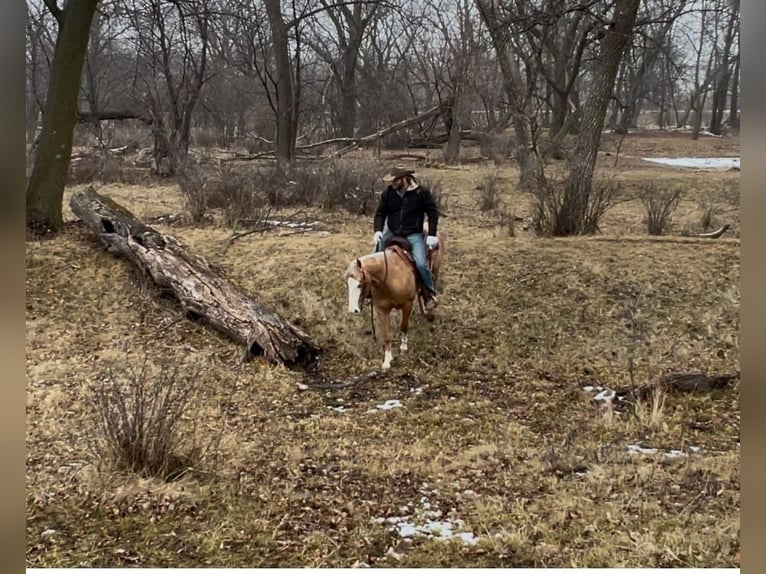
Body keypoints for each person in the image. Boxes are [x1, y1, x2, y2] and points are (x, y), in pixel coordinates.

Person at [373, 167, 440, 313]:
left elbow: (433, 213)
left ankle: (429, 294)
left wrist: (432, 234)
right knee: (374, 256)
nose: (392, 184)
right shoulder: (389, 193)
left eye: (395, 180)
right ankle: (371, 290)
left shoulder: (421, 193)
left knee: (421, 264)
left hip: (413, 233)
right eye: (391, 181)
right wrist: (378, 230)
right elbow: (380, 213)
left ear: (404, 179)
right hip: (392, 231)